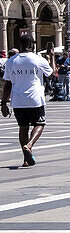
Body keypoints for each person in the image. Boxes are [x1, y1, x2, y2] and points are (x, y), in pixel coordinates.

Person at [1, 35, 55, 167]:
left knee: (23, 127)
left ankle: (25, 159)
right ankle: (29, 145)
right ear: (31, 45)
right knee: (40, 123)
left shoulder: (11, 61)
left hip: (18, 100)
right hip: (34, 98)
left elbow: (7, 83)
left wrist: (3, 103)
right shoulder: (38, 59)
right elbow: (53, 74)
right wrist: (52, 56)